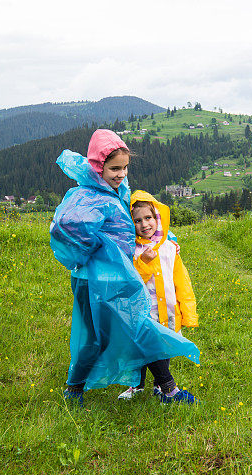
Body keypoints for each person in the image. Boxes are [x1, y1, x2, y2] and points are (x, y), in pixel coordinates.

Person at [49, 129, 200, 406]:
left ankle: (166, 389)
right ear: (98, 166)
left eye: (125, 167)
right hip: (93, 281)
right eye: (114, 168)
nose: (121, 173)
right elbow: (65, 230)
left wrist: (166, 240)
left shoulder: (117, 191)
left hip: (119, 278)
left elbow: (131, 228)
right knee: (94, 338)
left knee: (137, 326)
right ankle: (74, 389)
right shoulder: (89, 196)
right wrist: (94, 254)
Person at [116, 191, 198, 403]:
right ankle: (139, 385)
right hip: (142, 311)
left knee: (163, 347)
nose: (144, 224)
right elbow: (131, 281)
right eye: (137, 220)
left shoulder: (170, 248)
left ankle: (159, 388)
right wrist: (142, 261)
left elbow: (182, 282)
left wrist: (188, 313)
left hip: (168, 310)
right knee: (142, 346)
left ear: (158, 218)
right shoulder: (130, 250)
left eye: (149, 218)